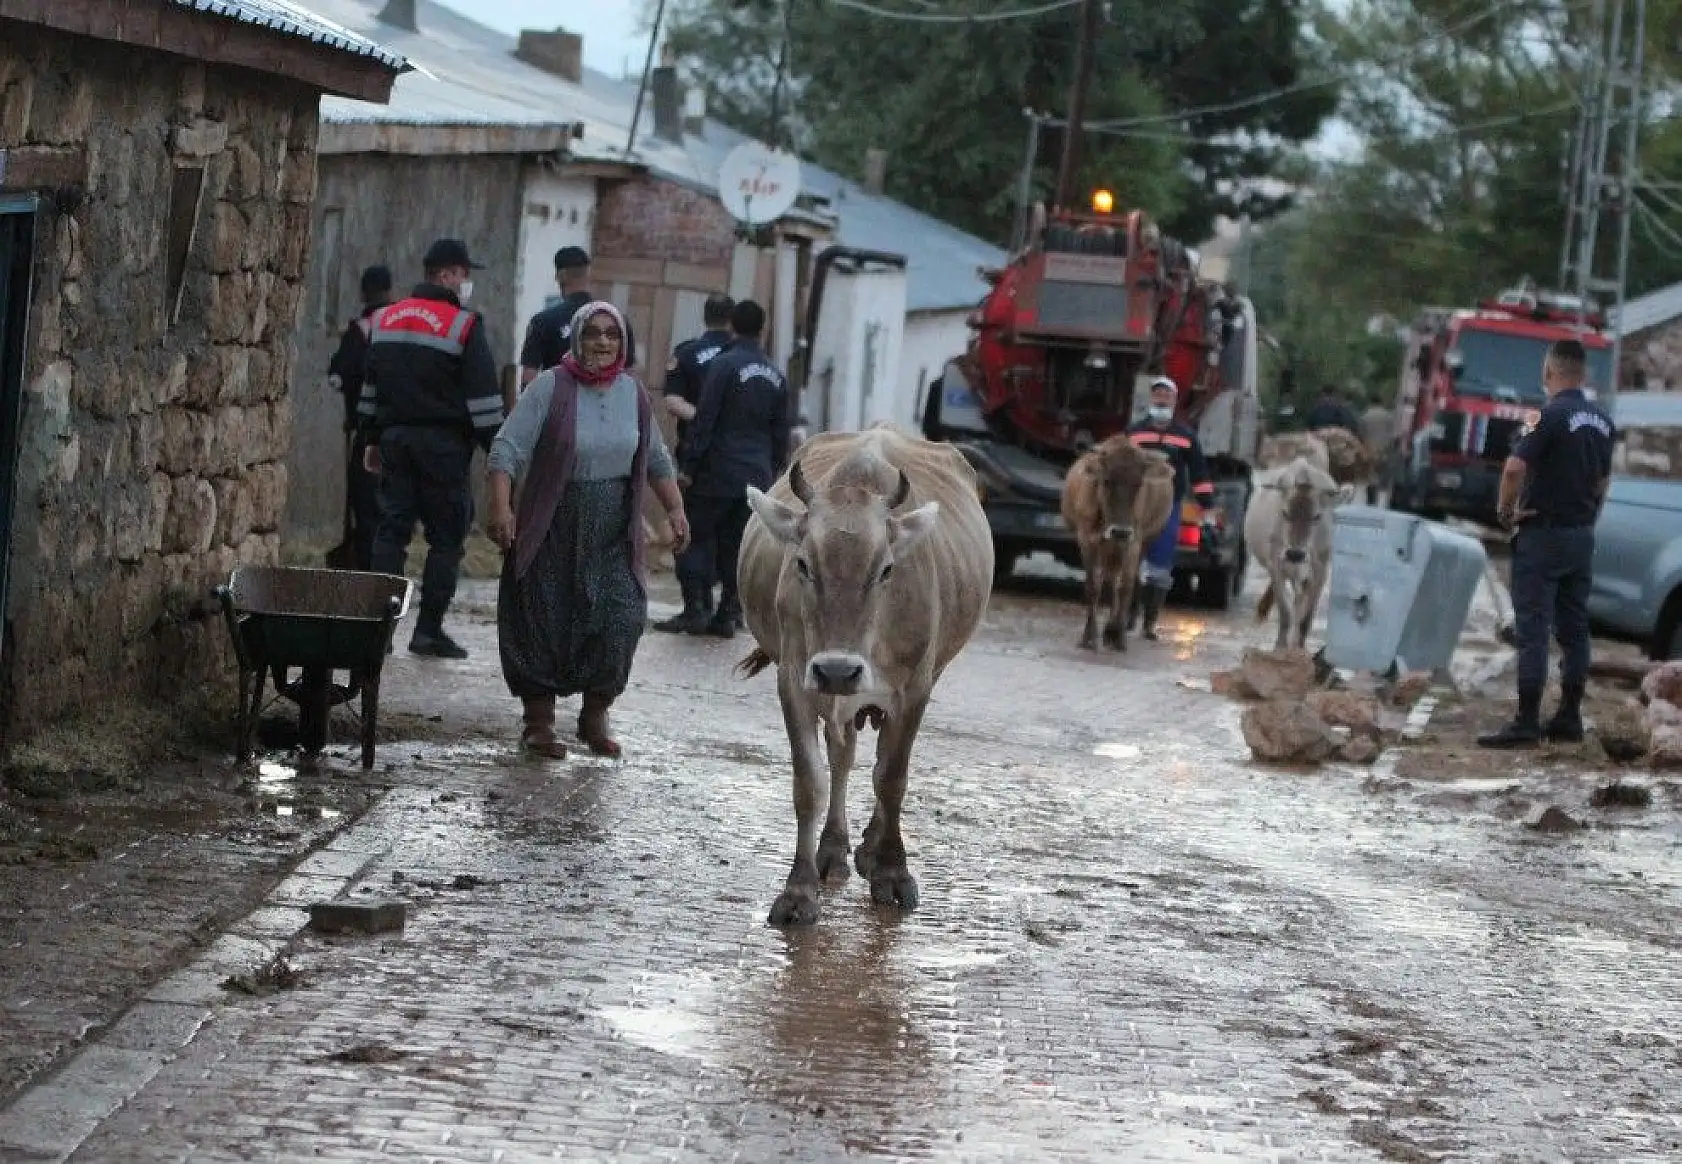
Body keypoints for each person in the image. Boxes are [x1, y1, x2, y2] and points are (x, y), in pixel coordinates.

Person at [486, 301, 690, 759]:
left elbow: (657, 459)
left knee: (621, 617)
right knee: (540, 615)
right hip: (552, 522)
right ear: (577, 339)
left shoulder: (633, 394)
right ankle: (538, 723)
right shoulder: (549, 388)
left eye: (612, 334)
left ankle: (595, 714)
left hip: (614, 527)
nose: (602, 342)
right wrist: (501, 509)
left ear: (623, 343)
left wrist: (675, 509)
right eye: (594, 333)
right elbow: (505, 450)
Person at [359, 238, 505, 659]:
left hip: (395, 442)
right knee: (446, 539)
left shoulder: (384, 320)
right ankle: (428, 631)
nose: (466, 283)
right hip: (442, 448)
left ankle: (377, 632)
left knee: (390, 533)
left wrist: (371, 440)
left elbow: (370, 390)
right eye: (463, 274)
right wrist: (498, 453)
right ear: (445, 275)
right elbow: (483, 400)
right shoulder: (463, 325)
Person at [1478, 338, 1615, 749]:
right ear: (1584, 374)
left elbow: (1514, 467)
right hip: (1580, 535)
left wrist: (1504, 513)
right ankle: (1569, 717)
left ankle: (1526, 722)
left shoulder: (1546, 416)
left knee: (1533, 628)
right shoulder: (1603, 421)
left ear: (1548, 372)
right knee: (1575, 629)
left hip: (1543, 534)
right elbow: (1602, 482)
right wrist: (1589, 518)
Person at [678, 299, 791, 639]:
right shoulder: (776, 375)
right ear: (762, 329)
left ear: (732, 326)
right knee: (737, 545)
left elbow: (705, 418)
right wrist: (771, 474)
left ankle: (697, 608)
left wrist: (689, 465)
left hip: (717, 471)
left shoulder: (724, 366)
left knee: (699, 538)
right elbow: (780, 432)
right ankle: (729, 612)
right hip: (754, 475)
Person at [653, 293, 735, 634]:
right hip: (736, 461)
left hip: (695, 461)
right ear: (732, 320)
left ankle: (695, 607)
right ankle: (728, 612)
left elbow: (672, 401)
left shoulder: (687, 353)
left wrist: (702, 419)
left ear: (705, 317)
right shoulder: (742, 358)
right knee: (732, 535)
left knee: (691, 532)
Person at [1126, 376, 1216, 640]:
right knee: (1130, 563)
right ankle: (1128, 615)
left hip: (1168, 507)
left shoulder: (1186, 437)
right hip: (1135, 507)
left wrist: (1207, 511)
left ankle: (1149, 623)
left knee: (1160, 567)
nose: (1162, 399)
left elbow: (1200, 475)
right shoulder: (1134, 433)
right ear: (1151, 399)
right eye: (1158, 394)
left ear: (1175, 401)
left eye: (1167, 395)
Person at [326, 264, 394, 570]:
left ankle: (368, 572)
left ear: (364, 293)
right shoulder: (405, 323)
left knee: (366, 505)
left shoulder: (362, 329)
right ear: (390, 291)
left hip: (368, 434)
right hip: (405, 430)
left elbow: (339, 374)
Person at [517, 246, 637, 395]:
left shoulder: (543, 321)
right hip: (605, 410)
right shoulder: (616, 321)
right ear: (588, 274)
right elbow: (629, 377)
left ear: (560, 276)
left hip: (559, 409)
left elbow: (529, 379)